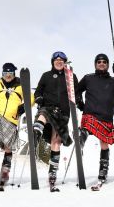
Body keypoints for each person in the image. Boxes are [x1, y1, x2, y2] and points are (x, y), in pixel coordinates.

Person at [33, 51, 83, 192]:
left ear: (65, 62)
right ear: (52, 62)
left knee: (56, 142)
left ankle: (52, 174)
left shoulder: (71, 77)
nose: (59, 62)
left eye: (62, 60)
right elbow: (38, 91)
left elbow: (77, 93)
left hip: (63, 112)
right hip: (48, 107)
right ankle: (36, 131)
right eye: (57, 60)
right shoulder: (46, 75)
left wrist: (79, 101)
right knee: (43, 113)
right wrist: (38, 98)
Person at [77, 53, 114, 190]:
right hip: (90, 114)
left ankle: (103, 171)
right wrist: (80, 103)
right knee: (86, 125)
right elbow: (76, 90)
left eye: (104, 62)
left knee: (104, 144)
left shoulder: (112, 81)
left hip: (106, 117)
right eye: (99, 62)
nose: (102, 63)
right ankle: (81, 138)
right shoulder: (88, 78)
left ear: (108, 65)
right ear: (95, 64)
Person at [0, 63, 31, 191]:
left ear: (14, 74)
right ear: (2, 74)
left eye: (10, 73)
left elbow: (31, 98)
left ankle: (5, 174)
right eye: (5, 73)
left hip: (11, 121)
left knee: (8, 147)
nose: (7, 76)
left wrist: (24, 106)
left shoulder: (21, 86)